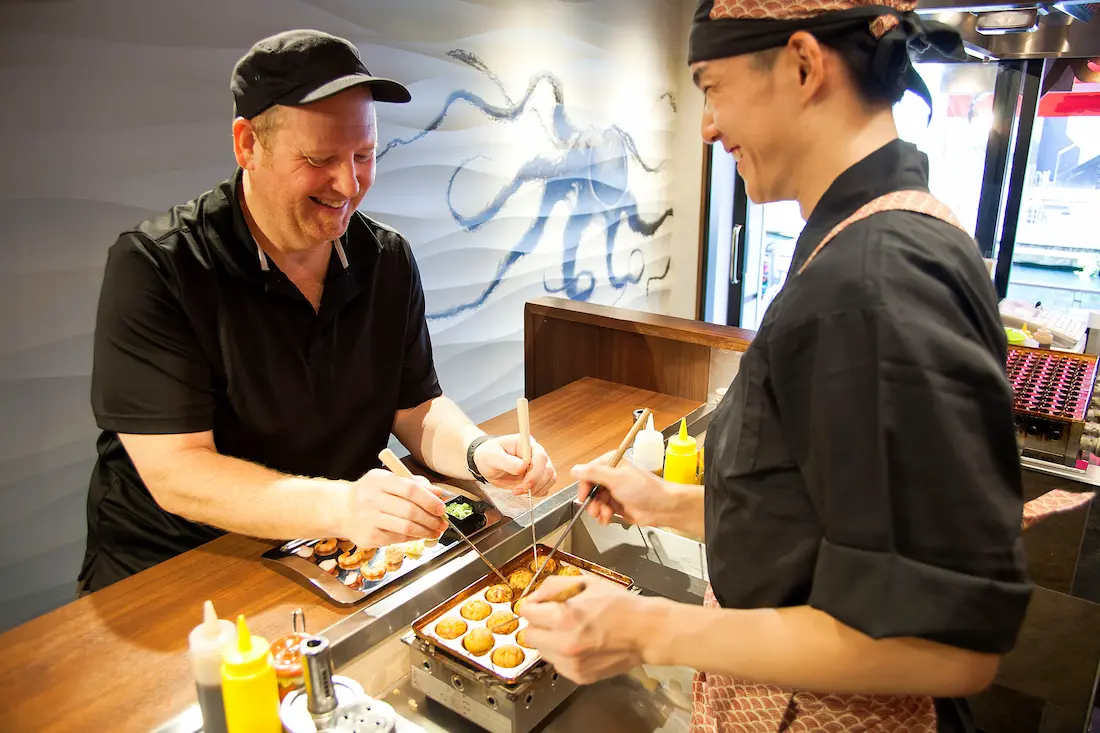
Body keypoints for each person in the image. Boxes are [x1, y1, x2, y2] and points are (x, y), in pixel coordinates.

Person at [520, 2, 1031, 731]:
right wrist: (663, 503)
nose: (707, 126)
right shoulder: (878, 234)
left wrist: (643, 628)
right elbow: (822, 521)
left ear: (801, 63)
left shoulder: (870, 282)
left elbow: (945, 644)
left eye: (711, 87)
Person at [79, 30, 557, 594]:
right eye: (320, 159)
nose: (349, 185)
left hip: (327, 557)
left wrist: (478, 453)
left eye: (363, 155)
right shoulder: (161, 267)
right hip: (178, 573)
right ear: (248, 145)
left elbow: (417, 406)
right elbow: (178, 472)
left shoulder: (386, 259)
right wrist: (341, 504)